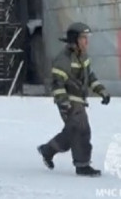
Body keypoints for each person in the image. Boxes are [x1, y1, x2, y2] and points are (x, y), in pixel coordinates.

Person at [37, 22, 110, 177]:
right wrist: (64, 102)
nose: (86, 41)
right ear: (74, 39)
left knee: (72, 132)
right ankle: (82, 166)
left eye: (86, 38)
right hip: (69, 100)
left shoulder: (83, 57)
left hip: (78, 100)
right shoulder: (63, 59)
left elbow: (90, 77)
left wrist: (102, 91)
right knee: (82, 130)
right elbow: (57, 83)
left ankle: (48, 150)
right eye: (83, 38)